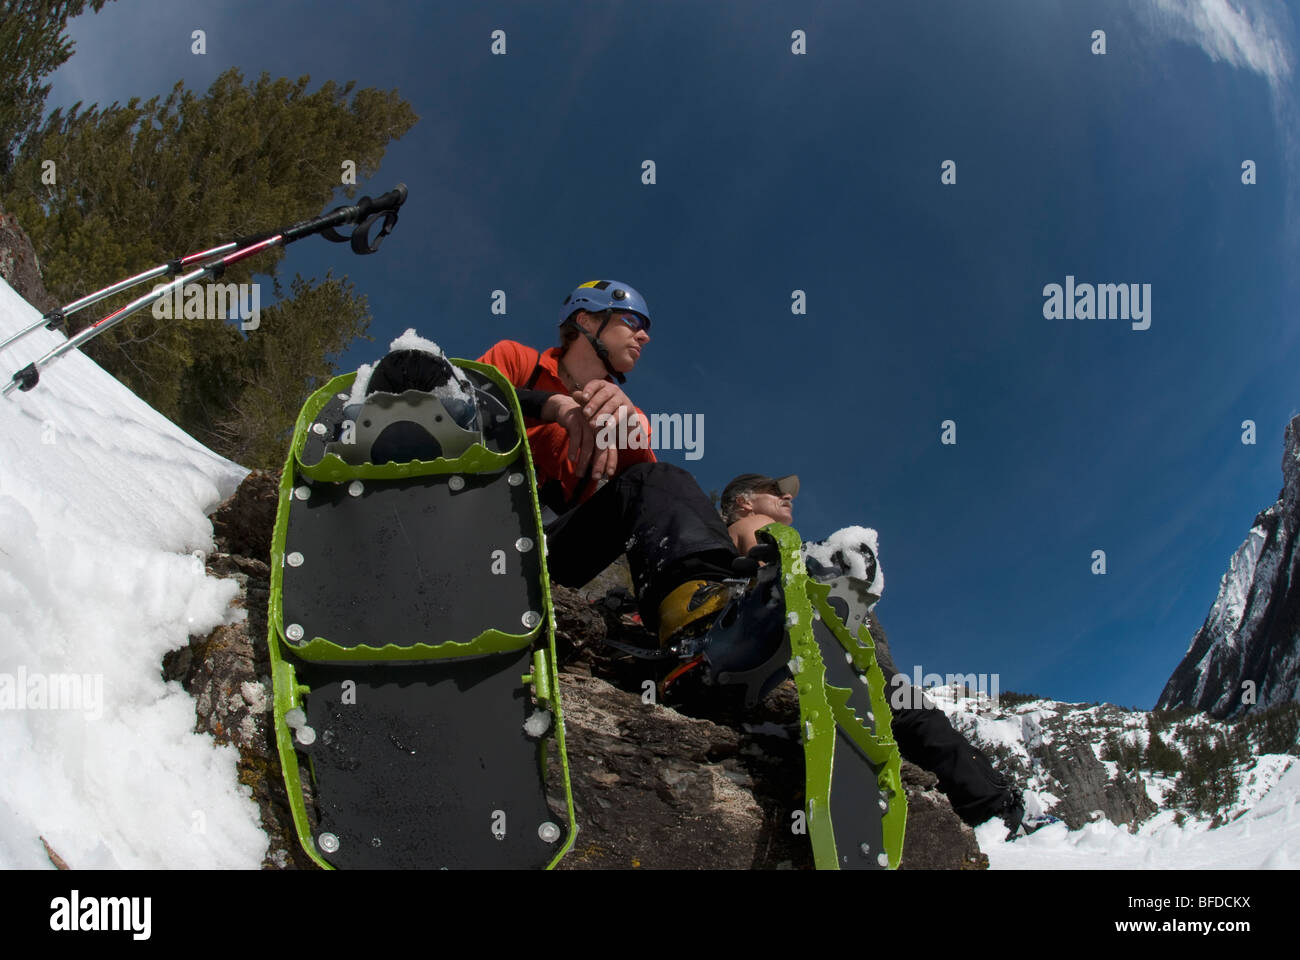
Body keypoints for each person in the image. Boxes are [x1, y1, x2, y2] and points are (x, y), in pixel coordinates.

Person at [720, 472, 1048, 840]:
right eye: (774, 491)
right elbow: (773, 574)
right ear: (744, 502)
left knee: (909, 719)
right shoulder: (757, 526)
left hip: (801, 650)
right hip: (819, 651)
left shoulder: (740, 535)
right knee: (920, 717)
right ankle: (997, 810)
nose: (787, 497)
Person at [476, 281, 745, 641]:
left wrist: (628, 421)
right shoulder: (518, 360)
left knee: (658, 479)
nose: (644, 337)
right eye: (633, 321)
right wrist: (551, 406)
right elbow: (461, 399)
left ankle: (704, 615)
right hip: (478, 524)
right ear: (586, 320)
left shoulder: (628, 415)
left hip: (549, 554)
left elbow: (648, 491)